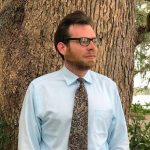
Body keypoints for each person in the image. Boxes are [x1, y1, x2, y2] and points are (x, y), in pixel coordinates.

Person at [18, 11, 129, 150]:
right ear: (62, 47)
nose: (92, 47)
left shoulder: (108, 88)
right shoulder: (39, 89)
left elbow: (119, 143)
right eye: (84, 41)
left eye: (94, 41)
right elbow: (27, 144)